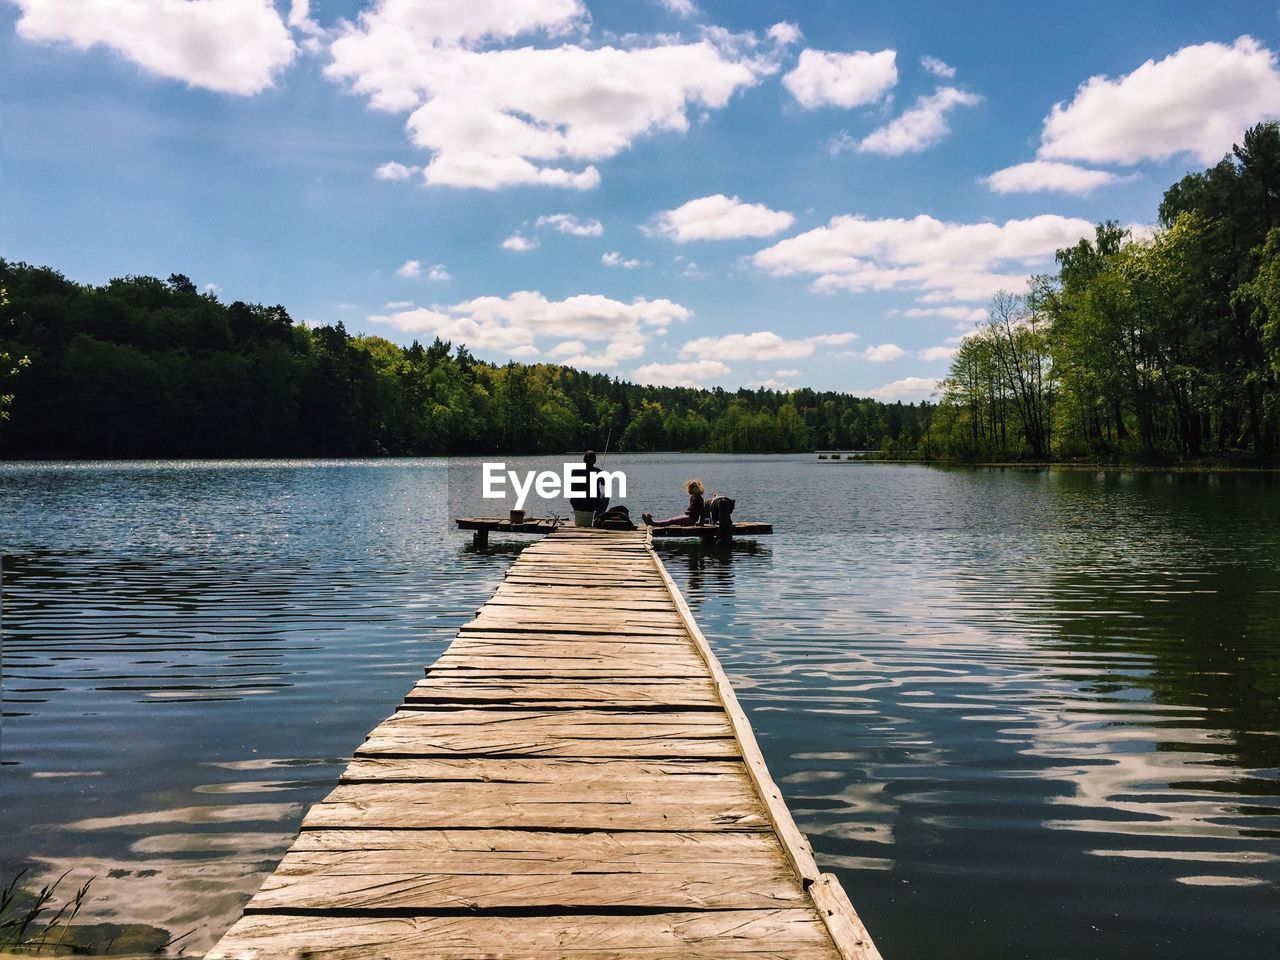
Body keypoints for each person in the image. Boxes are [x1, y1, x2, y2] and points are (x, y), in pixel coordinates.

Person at [568, 450, 609, 518]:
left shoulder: (575, 470)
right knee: (605, 496)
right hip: (592, 504)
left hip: (576, 504)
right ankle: (597, 518)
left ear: (584, 459)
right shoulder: (598, 472)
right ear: (595, 461)